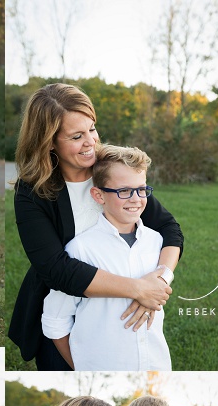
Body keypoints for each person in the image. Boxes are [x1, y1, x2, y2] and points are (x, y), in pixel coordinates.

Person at [9, 83, 184, 370]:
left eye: (92, 129)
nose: (91, 141)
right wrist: (137, 289)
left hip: (116, 318)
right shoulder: (32, 191)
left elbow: (170, 230)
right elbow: (55, 269)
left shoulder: (111, 172)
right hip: (61, 317)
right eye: (77, 136)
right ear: (49, 142)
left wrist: (159, 280)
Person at [42, 144, 173, 370]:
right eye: (124, 191)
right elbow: (56, 321)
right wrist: (81, 366)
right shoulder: (80, 250)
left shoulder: (157, 244)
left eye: (141, 189)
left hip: (155, 364)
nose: (135, 199)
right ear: (99, 195)